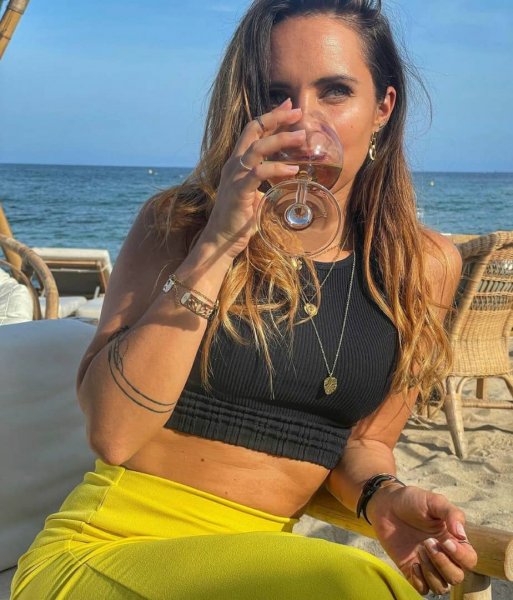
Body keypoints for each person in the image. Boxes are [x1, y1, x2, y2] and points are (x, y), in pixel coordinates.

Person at [11, 1, 477, 598]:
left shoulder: (422, 266)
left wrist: (383, 498)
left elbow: (365, 443)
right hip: (107, 547)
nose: (303, 122)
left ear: (383, 107)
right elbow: (113, 433)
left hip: (263, 564)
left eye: (335, 92)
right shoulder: (179, 224)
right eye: (277, 95)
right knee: (356, 581)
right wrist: (219, 243)